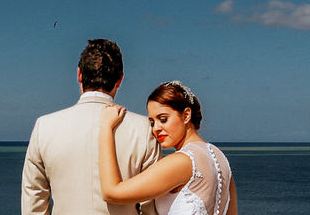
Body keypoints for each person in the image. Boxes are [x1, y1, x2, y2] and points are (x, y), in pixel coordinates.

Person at [22, 38, 161, 215]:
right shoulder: (144, 129)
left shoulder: (45, 127)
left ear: (79, 74)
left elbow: (33, 203)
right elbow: (150, 206)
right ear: (120, 79)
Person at [98, 81, 236, 215]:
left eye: (163, 119)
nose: (156, 129)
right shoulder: (221, 160)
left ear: (186, 115)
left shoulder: (181, 161)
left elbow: (111, 193)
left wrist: (106, 128)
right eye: (152, 122)